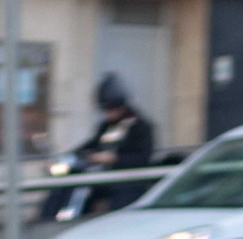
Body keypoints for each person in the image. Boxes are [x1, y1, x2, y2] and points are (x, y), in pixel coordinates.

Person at [41, 75, 157, 222]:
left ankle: (70, 219)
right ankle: (49, 218)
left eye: (111, 109)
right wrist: (63, 159)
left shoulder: (140, 128)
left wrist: (114, 159)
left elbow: (142, 158)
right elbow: (89, 146)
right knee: (65, 182)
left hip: (125, 183)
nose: (108, 114)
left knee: (84, 189)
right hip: (102, 178)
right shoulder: (106, 127)